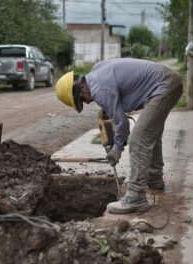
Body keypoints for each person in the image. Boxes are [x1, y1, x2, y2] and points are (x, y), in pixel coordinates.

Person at [54, 58, 183, 214]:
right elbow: (118, 92)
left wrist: (117, 148)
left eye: (82, 100)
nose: (88, 103)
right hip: (167, 81)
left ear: (81, 87)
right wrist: (110, 108)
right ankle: (154, 180)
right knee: (149, 135)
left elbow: (122, 124)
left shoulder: (99, 90)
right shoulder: (96, 71)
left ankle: (136, 198)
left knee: (139, 139)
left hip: (163, 87)